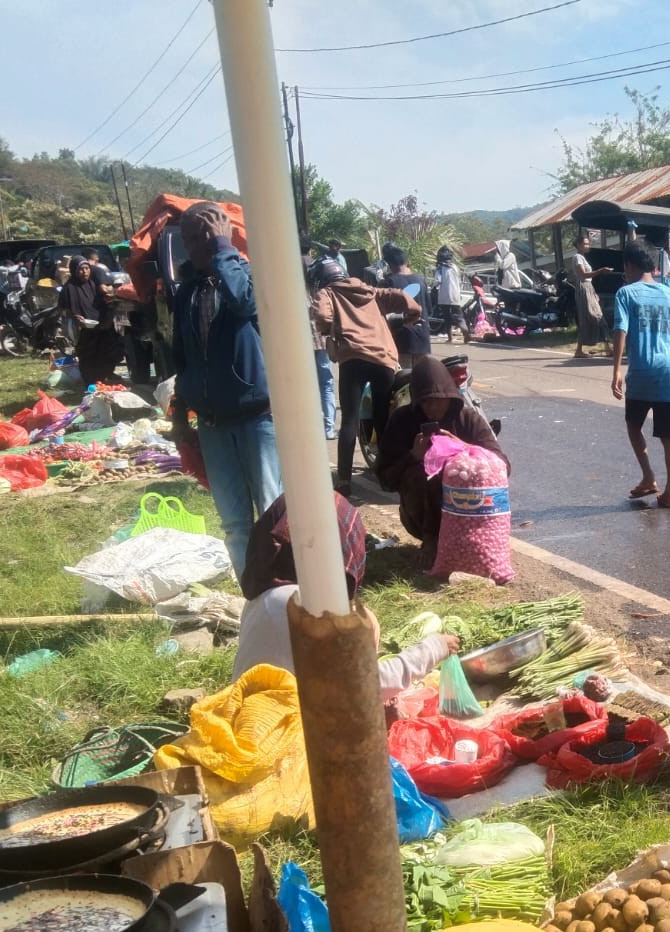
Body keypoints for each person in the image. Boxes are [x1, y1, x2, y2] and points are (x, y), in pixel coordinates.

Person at [235, 492, 460, 699]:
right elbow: (364, 687)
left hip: (250, 712)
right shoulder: (308, 608)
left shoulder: (266, 595)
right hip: (286, 728)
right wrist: (433, 649)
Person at [169, 201, 283, 582]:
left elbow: (246, 303)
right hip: (213, 426)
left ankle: (281, 594)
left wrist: (224, 247)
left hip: (257, 420)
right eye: (187, 238)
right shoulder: (186, 292)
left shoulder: (247, 277)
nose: (192, 247)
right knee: (234, 524)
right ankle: (254, 597)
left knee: (272, 514)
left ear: (219, 235)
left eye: (199, 237)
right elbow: (181, 360)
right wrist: (179, 417)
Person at [375, 357, 508, 566]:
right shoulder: (402, 420)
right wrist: (413, 457)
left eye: (439, 399)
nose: (432, 407)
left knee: (464, 471)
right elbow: (385, 480)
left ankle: (476, 541)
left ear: (450, 397)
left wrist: (465, 450)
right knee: (423, 473)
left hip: (470, 515)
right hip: (420, 516)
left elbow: (502, 465)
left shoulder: (467, 418)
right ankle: (432, 541)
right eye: (426, 401)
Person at [308, 257, 422, 498]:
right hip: (383, 359)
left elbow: (322, 316)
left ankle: (345, 481)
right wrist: (412, 315)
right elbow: (402, 297)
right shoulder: (370, 291)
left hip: (353, 360)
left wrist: (329, 329)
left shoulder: (327, 293)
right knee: (383, 419)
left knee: (349, 420)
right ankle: (386, 475)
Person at [611, 240, 670, 509]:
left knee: (634, 425)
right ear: (653, 266)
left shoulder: (625, 293)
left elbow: (621, 330)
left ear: (629, 266)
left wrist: (617, 370)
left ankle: (648, 476)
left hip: (643, 370)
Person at [59, 256, 125, 385]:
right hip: (84, 330)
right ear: (74, 271)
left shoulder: (95, 284)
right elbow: (64, 309)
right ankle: (90, 383)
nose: (85, 272)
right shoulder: (69, 288)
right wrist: (75, 317)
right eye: (81, 269)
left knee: (108, 353)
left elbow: (105, 301)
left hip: (103, 327)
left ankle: (103, 379)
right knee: (88, 357)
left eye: (87, 268)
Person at [381, 242, 435, 367]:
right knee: (422, 382)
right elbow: (429, 309)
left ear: (390, 265)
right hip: (422, 339)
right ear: (407, 262)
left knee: (403, 381)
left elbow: (384, 313)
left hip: (401, 340)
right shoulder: (421, 280)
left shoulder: (389, 282)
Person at [568, 233, 609, 357]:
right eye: (585, 243)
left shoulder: (582, 257)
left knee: (596, 316)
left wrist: (593, 292)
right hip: (583, 287)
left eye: (588, 243)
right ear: (579, 245)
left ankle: (607, 347)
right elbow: (583, 275)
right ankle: (579, 350)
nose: (588, 245)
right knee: (592, 316)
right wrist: (600, 271)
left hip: (589, 288)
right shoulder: (577, 257)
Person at [433, 246, 470, 344]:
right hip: (455, 295)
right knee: (459, 316)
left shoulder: (440, 268)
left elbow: (437, 281)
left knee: (447, 317)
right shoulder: (455, 267)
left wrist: (433, 286)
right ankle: (465, 330)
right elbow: (459, 281)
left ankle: (450, 339)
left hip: (445, 297)